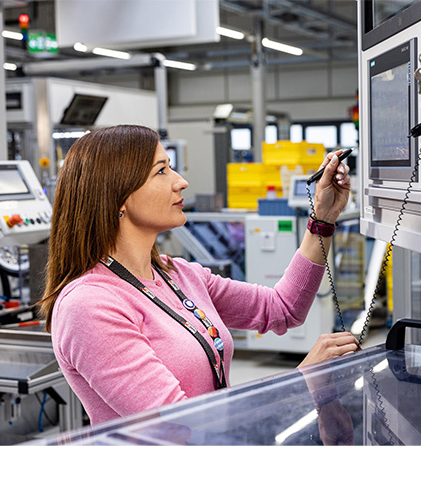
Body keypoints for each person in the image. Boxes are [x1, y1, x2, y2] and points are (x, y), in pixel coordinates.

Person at [40, 124, 358, 425]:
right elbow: (180, 424)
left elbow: (282, 308)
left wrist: (323, 218)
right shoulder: (88, 306)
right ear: (118, 198)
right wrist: (300, 382)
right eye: (161, 171)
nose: (181, 181)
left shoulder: (177, 274)